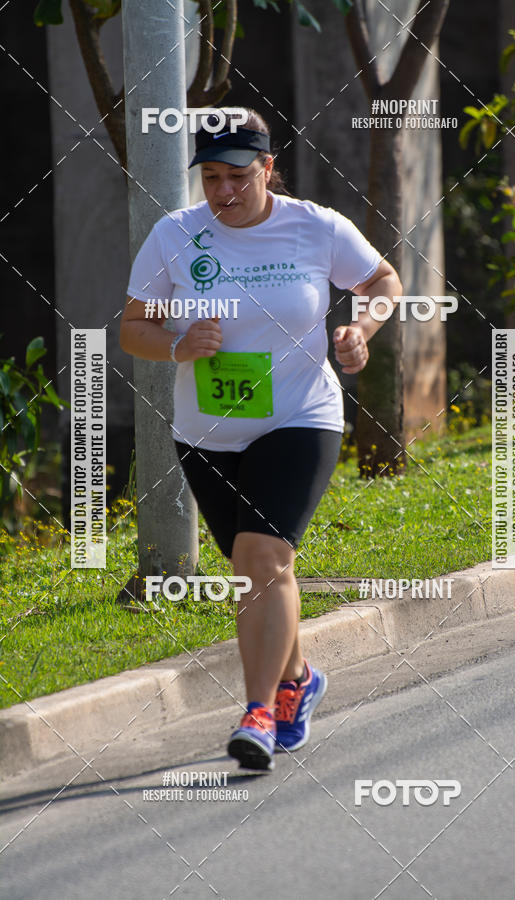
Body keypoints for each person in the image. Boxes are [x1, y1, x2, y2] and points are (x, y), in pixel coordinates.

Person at [120, 108, 402, 771]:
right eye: (211, 177)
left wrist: (364, 327)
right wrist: (178, 345)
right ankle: (299, 675)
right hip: (206, 434)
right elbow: (134, 328)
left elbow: (382, 280)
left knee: (261, 560)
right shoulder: (175, 235)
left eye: (238, 177)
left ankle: (258, 713)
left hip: (300, 418)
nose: (222, 192)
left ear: (268, 168)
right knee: (259, 574)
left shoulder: (314, 227)